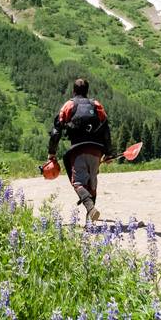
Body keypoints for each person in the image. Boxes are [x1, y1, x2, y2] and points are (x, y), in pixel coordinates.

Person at [48, 78, 113, 222]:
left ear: (74, 91)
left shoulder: (69, 105)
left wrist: (52, 153)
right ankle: (89, 221)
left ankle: (90, 208)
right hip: (97, 150)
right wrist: (109, 153)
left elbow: (56, 132)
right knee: (92, 183)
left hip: (78, 150)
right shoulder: (96, 105)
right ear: (87, 91)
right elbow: (106, 130)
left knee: (78, 183)